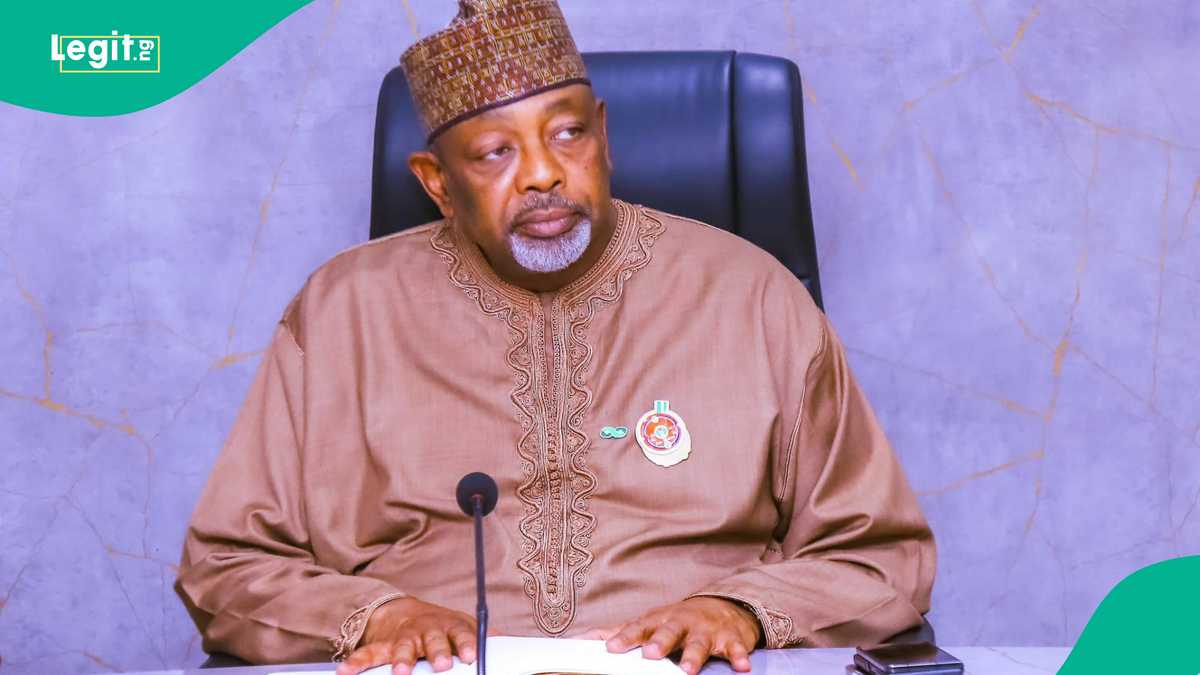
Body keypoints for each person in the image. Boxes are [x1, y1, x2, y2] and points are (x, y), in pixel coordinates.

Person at [174, 1, 936, 674]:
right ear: (436, 181)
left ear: (604, 136)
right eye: (496, 152)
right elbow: (226, 566)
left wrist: (739, 609)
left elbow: (880, 557)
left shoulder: (752, 293)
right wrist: (377, 615)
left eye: (568, 134)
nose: (542, 174)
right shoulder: (344, 310)